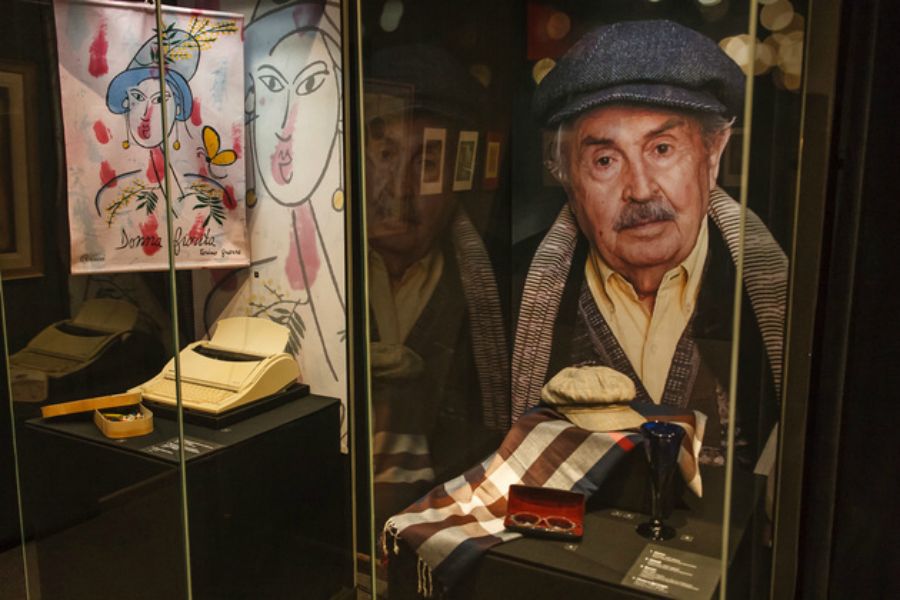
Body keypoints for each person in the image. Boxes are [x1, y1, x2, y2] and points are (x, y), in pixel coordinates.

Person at [513, 20, 788, 466]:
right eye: (605, 160)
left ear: (713, 155)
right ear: (566, 176)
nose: (640, 190)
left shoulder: (785, 296)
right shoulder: (508, 292)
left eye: (662, 149)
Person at [364, 46, 509, 532]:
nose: (399, 189)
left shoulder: (489, 295)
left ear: (458, 180)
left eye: (427, 163)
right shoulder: (317, 282)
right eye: (385, 155)